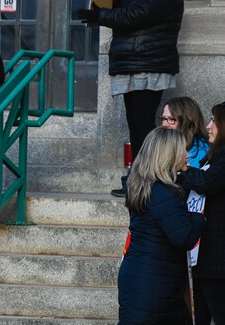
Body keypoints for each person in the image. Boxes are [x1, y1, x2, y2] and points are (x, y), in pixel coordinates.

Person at [78, 0, 184, 197]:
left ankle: (148, 182)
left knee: (142, 125)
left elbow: (137, 14)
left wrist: (99, 14)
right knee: (136, 125)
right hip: (135, 60)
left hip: (148, 61)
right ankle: (138, 181)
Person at [118, 127, 204, 325]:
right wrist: (199, 216)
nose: (187, 155)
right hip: (151, 288)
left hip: (153, 283)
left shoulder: (147, 187)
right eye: (183, 151)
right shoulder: (163, 193)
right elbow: (184, 237)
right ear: (168, 155)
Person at [157, 97, 219, 325]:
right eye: (163, 119)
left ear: (187, 121)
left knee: (190, 316)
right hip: (171, 240)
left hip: (193, 242)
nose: (166, 124)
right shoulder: (158, 145)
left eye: (172, 119)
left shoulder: (204, 152)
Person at [178, 101, 225, 325]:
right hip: (203, 255)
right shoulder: (215, 154)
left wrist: (180, 170)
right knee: (196, 324)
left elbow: (206, 181)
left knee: (217, 317)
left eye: (214, 121)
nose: (208, 126)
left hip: (216, 259)